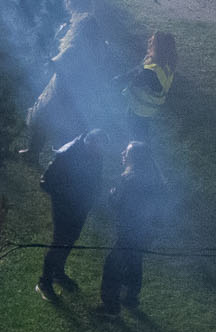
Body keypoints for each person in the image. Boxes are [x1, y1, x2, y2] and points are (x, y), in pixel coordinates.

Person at [36, 131, 103, 297]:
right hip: (64, 206)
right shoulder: (68, 154)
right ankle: (44, 282)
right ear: (89, 142)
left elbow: (95, 179)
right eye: (98, 148)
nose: (100, 152)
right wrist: (67, 196)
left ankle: (58, 273)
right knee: (59, 241)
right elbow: (45, 182)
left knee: (71, 239)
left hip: (80, 207)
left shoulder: (96, 153)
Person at [98, 139, 160, 312]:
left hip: (129, 230)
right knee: (134, 260)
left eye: (126, 152)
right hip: (145, 231)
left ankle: (110, 306)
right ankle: (130, 297)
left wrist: (112, 194)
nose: (123, 154)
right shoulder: (152, 176)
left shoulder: (128, 179)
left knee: (113, 264)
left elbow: (117, 202)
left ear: (135, 158)